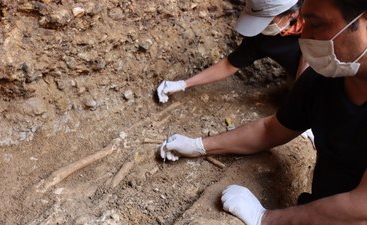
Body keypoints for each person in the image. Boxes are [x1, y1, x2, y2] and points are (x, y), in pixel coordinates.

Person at [160, 0, 367, 224]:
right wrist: (198, 145)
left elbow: (361, 206)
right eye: (305, 23)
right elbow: (270, 130)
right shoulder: (321, 83)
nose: (304, 36)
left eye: (317, 24)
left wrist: (265, 218)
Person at [157, 0, 307, 104]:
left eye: (267, 21)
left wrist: (304, 104)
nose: (261, 27)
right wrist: (183, 84)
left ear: (291, 14)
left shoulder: (321, 14)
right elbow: (230, 65)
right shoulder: (262, 37)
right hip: (298, 78)